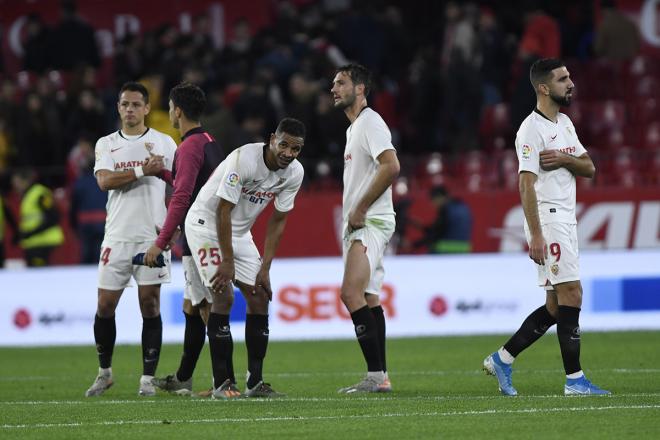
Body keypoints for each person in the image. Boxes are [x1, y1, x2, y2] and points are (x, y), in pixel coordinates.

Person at [483, 58, 610, 396]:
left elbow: (589, 168)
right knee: (573, 294)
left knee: (556, 306)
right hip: (548, 218)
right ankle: (575, 380)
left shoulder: (565, 123)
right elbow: (525, 185)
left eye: (569, 76)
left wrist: (566, 159)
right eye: (562, 79)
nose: (570, 83)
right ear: (543, 87)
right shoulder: (530, 130)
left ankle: (503, 358)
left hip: (566, 218)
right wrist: (536, 234)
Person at [184, 117, 305, 399]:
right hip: (205, 224)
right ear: (272, 139)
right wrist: (227, 261)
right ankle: (223, 382)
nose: (288, 153)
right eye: (284, 144)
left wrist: (266, 267)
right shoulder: (245, 159)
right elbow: (223, 210)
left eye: (296, 149)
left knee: (260, 295)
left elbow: (278, 220)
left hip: (239, 233)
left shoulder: (294, 173)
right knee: (222, 296)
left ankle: (255, 382)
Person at [85, 82, 177, 397]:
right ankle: (104, 372)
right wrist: (142, 170)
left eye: (136, 104)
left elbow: (181, 186)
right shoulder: (106, 144)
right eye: (125, 104)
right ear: (118, 107)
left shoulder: (165, 143)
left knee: (149, 304)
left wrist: (175, 226)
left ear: (147, 108)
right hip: (118, 236)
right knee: (105, 304)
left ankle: (147, 380)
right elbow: (104, 181)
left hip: (152, 236)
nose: (130, 110)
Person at [144, 82, 225, 395]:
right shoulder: (207, 140)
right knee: (192, 306)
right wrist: (163, 171)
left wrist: (161, 242)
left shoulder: (189, 146)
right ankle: (183, 378)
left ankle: (223, 382)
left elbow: (181, 196)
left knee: (207, 308)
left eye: (169, 107)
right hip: (210, 230)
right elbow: (188, 183)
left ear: (177, 110)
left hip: (199, 236)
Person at [330, 63, 400, 393]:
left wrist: (359, 207)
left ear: (360, 89)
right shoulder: (354, 128)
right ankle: (380, 376)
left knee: (350, 293)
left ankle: (375, 376)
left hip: (370, 221)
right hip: (366, 221)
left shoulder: (370, 122)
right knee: (369, 298)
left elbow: (391, 166)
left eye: (341, 83)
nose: (334, 89)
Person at [11, 168, 65, 267]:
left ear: (26, 181)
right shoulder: (27, 195)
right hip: (34, 243)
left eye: (17, 182)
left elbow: (53, 217)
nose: (15, 186)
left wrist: (30, 233)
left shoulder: (39, 193)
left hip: (44, 242)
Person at [413, 185, 472, 254]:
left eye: (433, 200)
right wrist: (422, 227)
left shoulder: (446, 210)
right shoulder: (464, 208)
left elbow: (436, 234)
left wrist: (414, 245)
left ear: (440, 197)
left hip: (445, 252)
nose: (433, 204)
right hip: (463, 251)